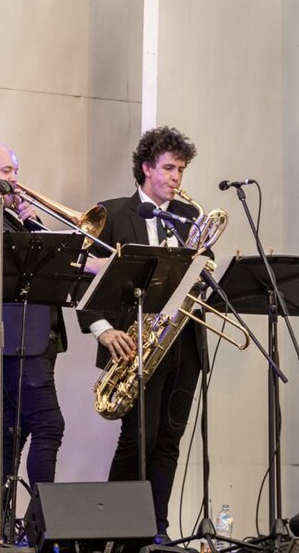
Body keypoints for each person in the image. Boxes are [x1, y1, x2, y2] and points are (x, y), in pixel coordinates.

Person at [77, 125, 206, 542]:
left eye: (181, 170)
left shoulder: (189, 218)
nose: (176, 178)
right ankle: (114, 531)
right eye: (169, 168)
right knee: (137, 441)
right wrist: (103, 330)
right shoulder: (113, 214)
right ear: (147, 168)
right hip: (135, 345)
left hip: (183, 344)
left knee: (169, 441)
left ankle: (157, 532)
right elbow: (83, 278)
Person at [0, 143, 67, 535]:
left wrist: (32, 221)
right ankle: (42, 527)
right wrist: (24, 225)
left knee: (12, 432)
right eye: (7, 170)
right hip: (14, 336)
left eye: (16, 171)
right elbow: (5, 253)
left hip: (35, 335)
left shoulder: (9, 216)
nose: (15, 179)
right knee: (49, 424)